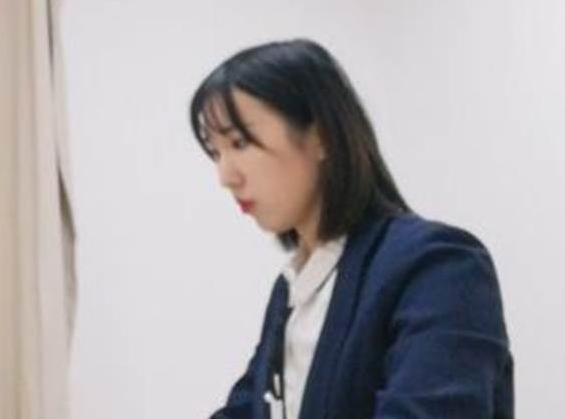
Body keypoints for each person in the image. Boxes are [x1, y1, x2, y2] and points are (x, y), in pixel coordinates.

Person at [190, 39, 513, 419]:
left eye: (239, 142)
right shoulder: (293, 289)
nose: (226, 176)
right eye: (216, 152)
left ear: (321, 136)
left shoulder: (438, 266)